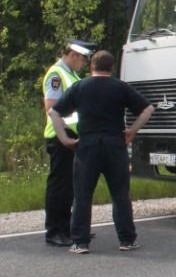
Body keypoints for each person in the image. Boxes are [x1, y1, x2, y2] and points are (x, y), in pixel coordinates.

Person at [49, 50, 154, 255]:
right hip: (115, 145)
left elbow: (54, 112)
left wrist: (64, 139)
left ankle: (80, 242)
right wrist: (132, 131)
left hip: (87, 146)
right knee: (120, 194)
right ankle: (127, 239)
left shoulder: (80, 87)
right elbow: (148, 108)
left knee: (83, 195)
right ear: (111, 67)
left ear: (91, 67)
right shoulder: (120, 87)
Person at [42, 39, 94, 247]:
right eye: (82, 59)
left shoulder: (72, 75)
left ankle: (69, 229)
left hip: (72, 136)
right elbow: (51, 106)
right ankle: (55, 231)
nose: (83, 63)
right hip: (60, 136)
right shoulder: (56, 74)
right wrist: (66, 132)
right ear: (73, 55)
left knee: (71, 187)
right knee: (60, 187)